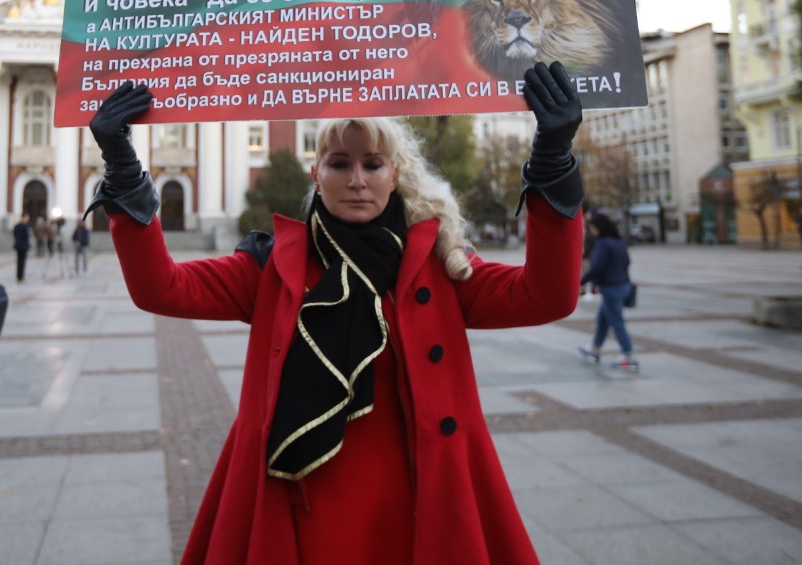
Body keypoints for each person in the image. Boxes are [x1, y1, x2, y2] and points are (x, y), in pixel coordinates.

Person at [88, 62, 585, 564]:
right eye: (339, 163)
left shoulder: (440, 263)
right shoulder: (271, 266)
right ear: (316, 173)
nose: (357, 180)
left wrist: (552, 160)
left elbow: (547, 295)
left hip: (419, 505)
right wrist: (124, 171)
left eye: (372, 164)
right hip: (303, 509)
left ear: (394, 174)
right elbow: (162, 289)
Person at [577, 214, 638, 372]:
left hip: (611, 288)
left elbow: (596, 267)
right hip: (623, 285)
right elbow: (627, 262)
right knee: (603, 319)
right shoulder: (619, 241)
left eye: (592, 228)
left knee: (617, 322)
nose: (592, 231)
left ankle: (629, 356)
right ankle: (595, 349)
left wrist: (579, 282)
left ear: (599, 228)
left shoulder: (603, 243)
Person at [12, 214, 31, 282]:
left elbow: (14, 234)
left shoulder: (16, 226)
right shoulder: (25, 226)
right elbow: (27, 235)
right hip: (23, 245)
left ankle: (18, 276)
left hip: (17, 245)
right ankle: (21, 276)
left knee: (19, 261)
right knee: (22, 262)